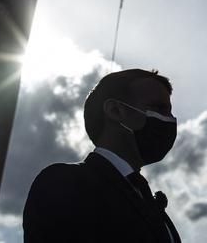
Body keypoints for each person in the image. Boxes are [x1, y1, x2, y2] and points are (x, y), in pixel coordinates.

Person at [23, 68, 181, 242]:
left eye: (170, 112)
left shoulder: (152, 204)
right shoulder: (64, 181)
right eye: (158, 108)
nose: (170, 120)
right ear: (115, 110)